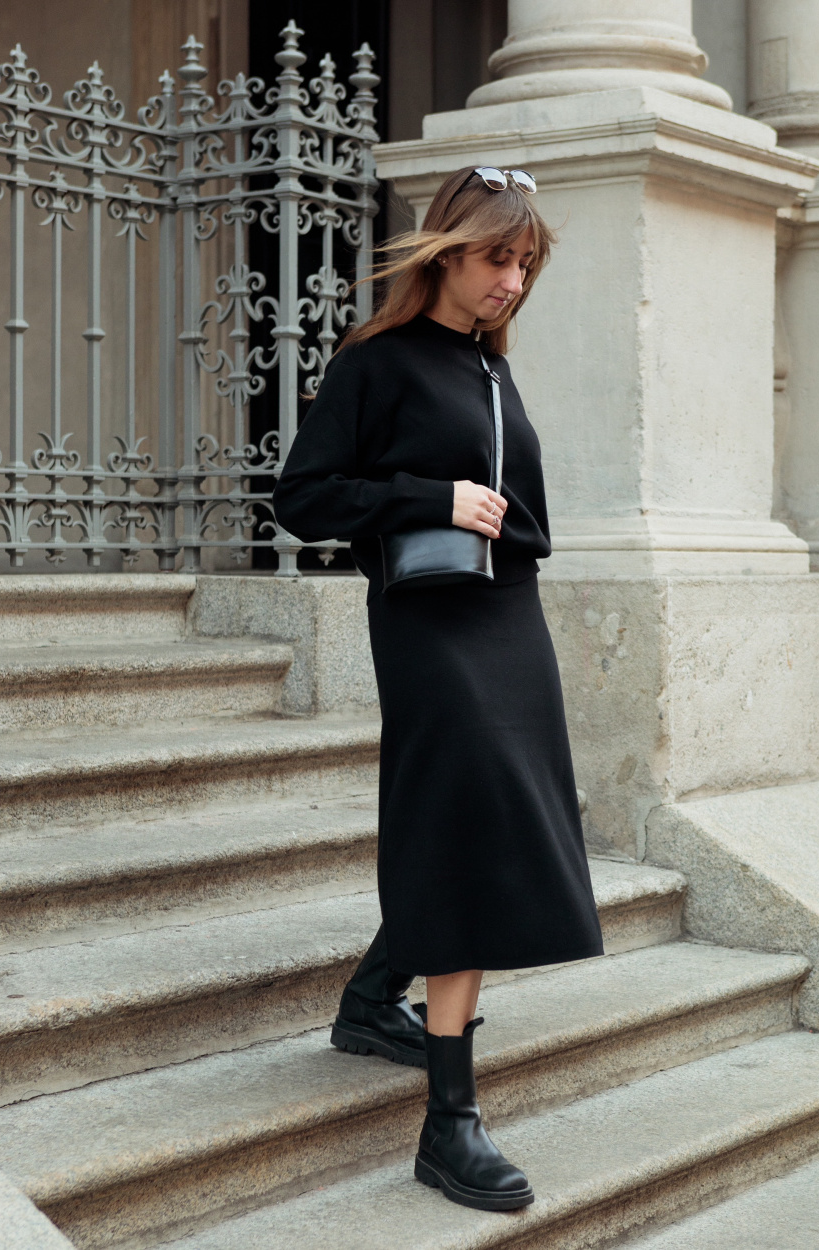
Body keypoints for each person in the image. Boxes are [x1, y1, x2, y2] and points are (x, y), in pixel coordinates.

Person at [272, 165, 604, 1213]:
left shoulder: (494, 373)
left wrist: (500, 511)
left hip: (508, 623)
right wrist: (431, 494)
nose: (512, 280)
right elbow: (304, 497)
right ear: (445, 253)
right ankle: (449, 1122)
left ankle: (376, 995)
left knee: (492, 821)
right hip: (427, 626)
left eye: (525, 264)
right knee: (467, 829)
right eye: (498, 257)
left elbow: (530, 520)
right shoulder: (378, 363)